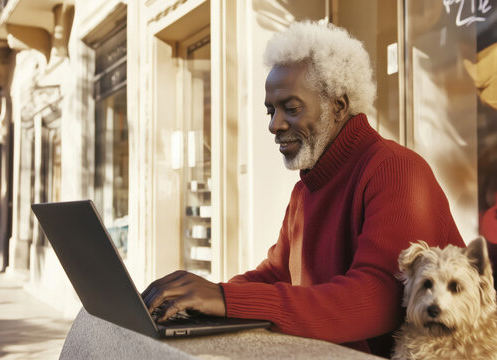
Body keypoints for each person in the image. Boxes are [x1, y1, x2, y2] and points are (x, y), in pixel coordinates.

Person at [142, 21, 464, 357]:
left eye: (290, 108)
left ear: (338, 106)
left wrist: (225, 300)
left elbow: (374, 299)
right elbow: (276, 274)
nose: (274, 125)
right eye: (271, 111)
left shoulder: (396, 169)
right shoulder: (306, 187)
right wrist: (198, 301)